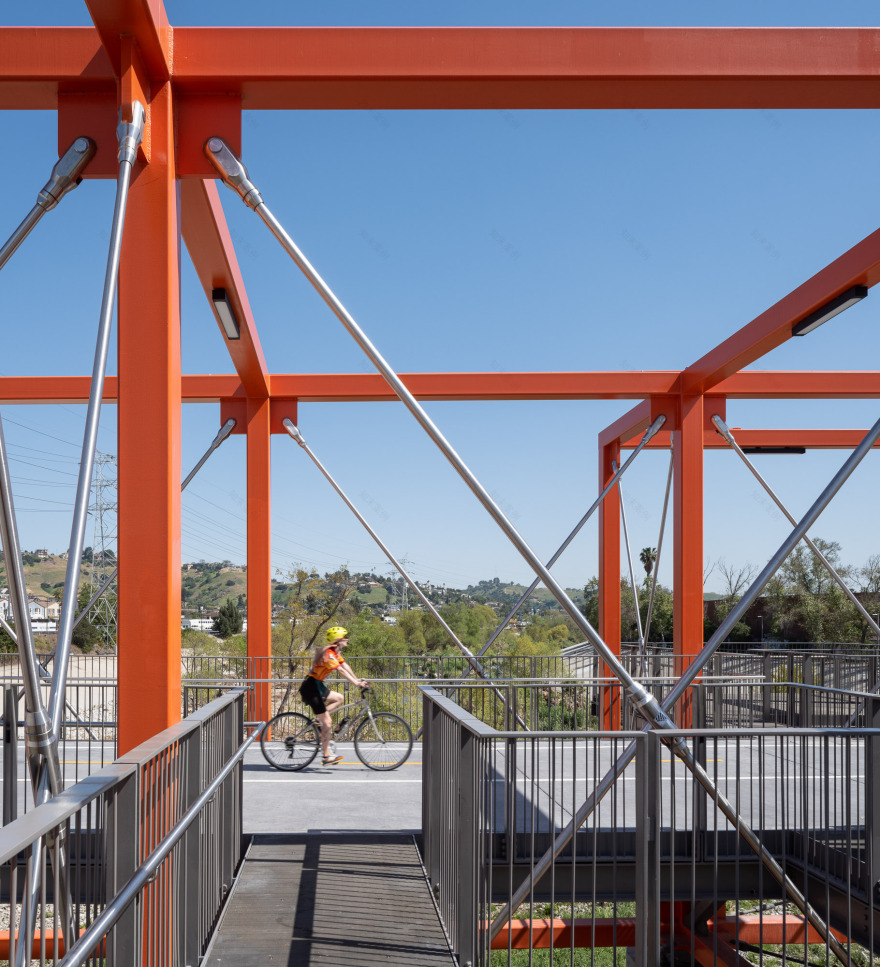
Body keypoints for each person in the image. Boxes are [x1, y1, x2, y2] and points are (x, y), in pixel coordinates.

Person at [298, 626, 368, 766]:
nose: (347, 639)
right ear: (338, 640)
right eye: (345, 637)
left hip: (318, 685)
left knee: (339, 698)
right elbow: (340, 670)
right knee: (328, 723)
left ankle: (318, 720)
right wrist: (354, 682)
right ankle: (326, 756)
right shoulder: (328, 654)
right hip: (311, 688)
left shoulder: (336, 653)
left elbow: (345, 666)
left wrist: (357, 680)